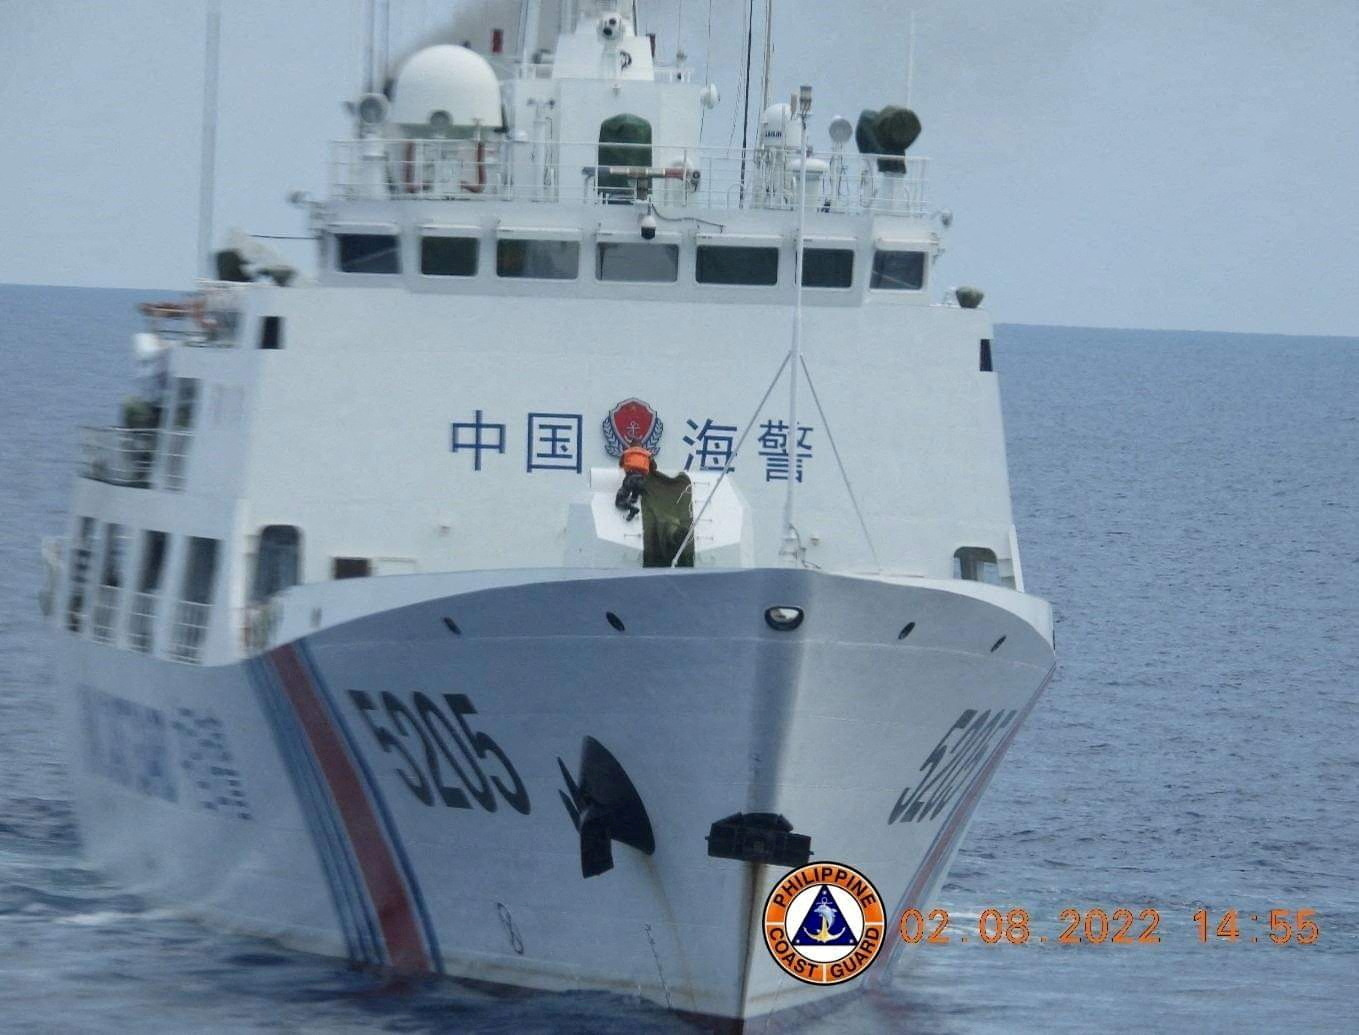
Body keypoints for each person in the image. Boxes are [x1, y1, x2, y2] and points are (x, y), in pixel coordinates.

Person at [615, 438, 654, 521]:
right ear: (641, 446)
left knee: (619, 501)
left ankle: (632, 509)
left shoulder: (627, 452)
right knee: (636, 492)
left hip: (631, 478)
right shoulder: (648, 454)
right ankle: (634, 498)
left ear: (631, 445)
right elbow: (654, 468)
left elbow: (621, 464)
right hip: (643, 481)